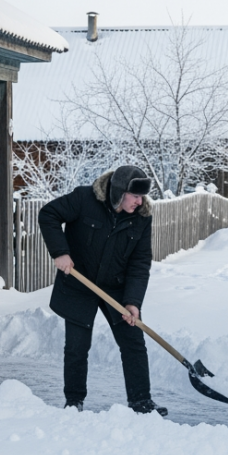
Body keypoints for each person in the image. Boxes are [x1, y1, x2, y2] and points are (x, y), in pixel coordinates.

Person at [39, 165, 164, 416]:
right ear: (119, 192)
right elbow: (48, 214)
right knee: (77, 346)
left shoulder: (141, 218)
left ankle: (141, 401)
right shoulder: (84, 199)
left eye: (142, 196)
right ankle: (74, 401)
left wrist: (133, 301)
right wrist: (60, 252)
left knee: (133, 341)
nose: (140, 202)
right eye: (135, 196)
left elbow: (140, 263)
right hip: (79, 283)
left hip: (117, 287)